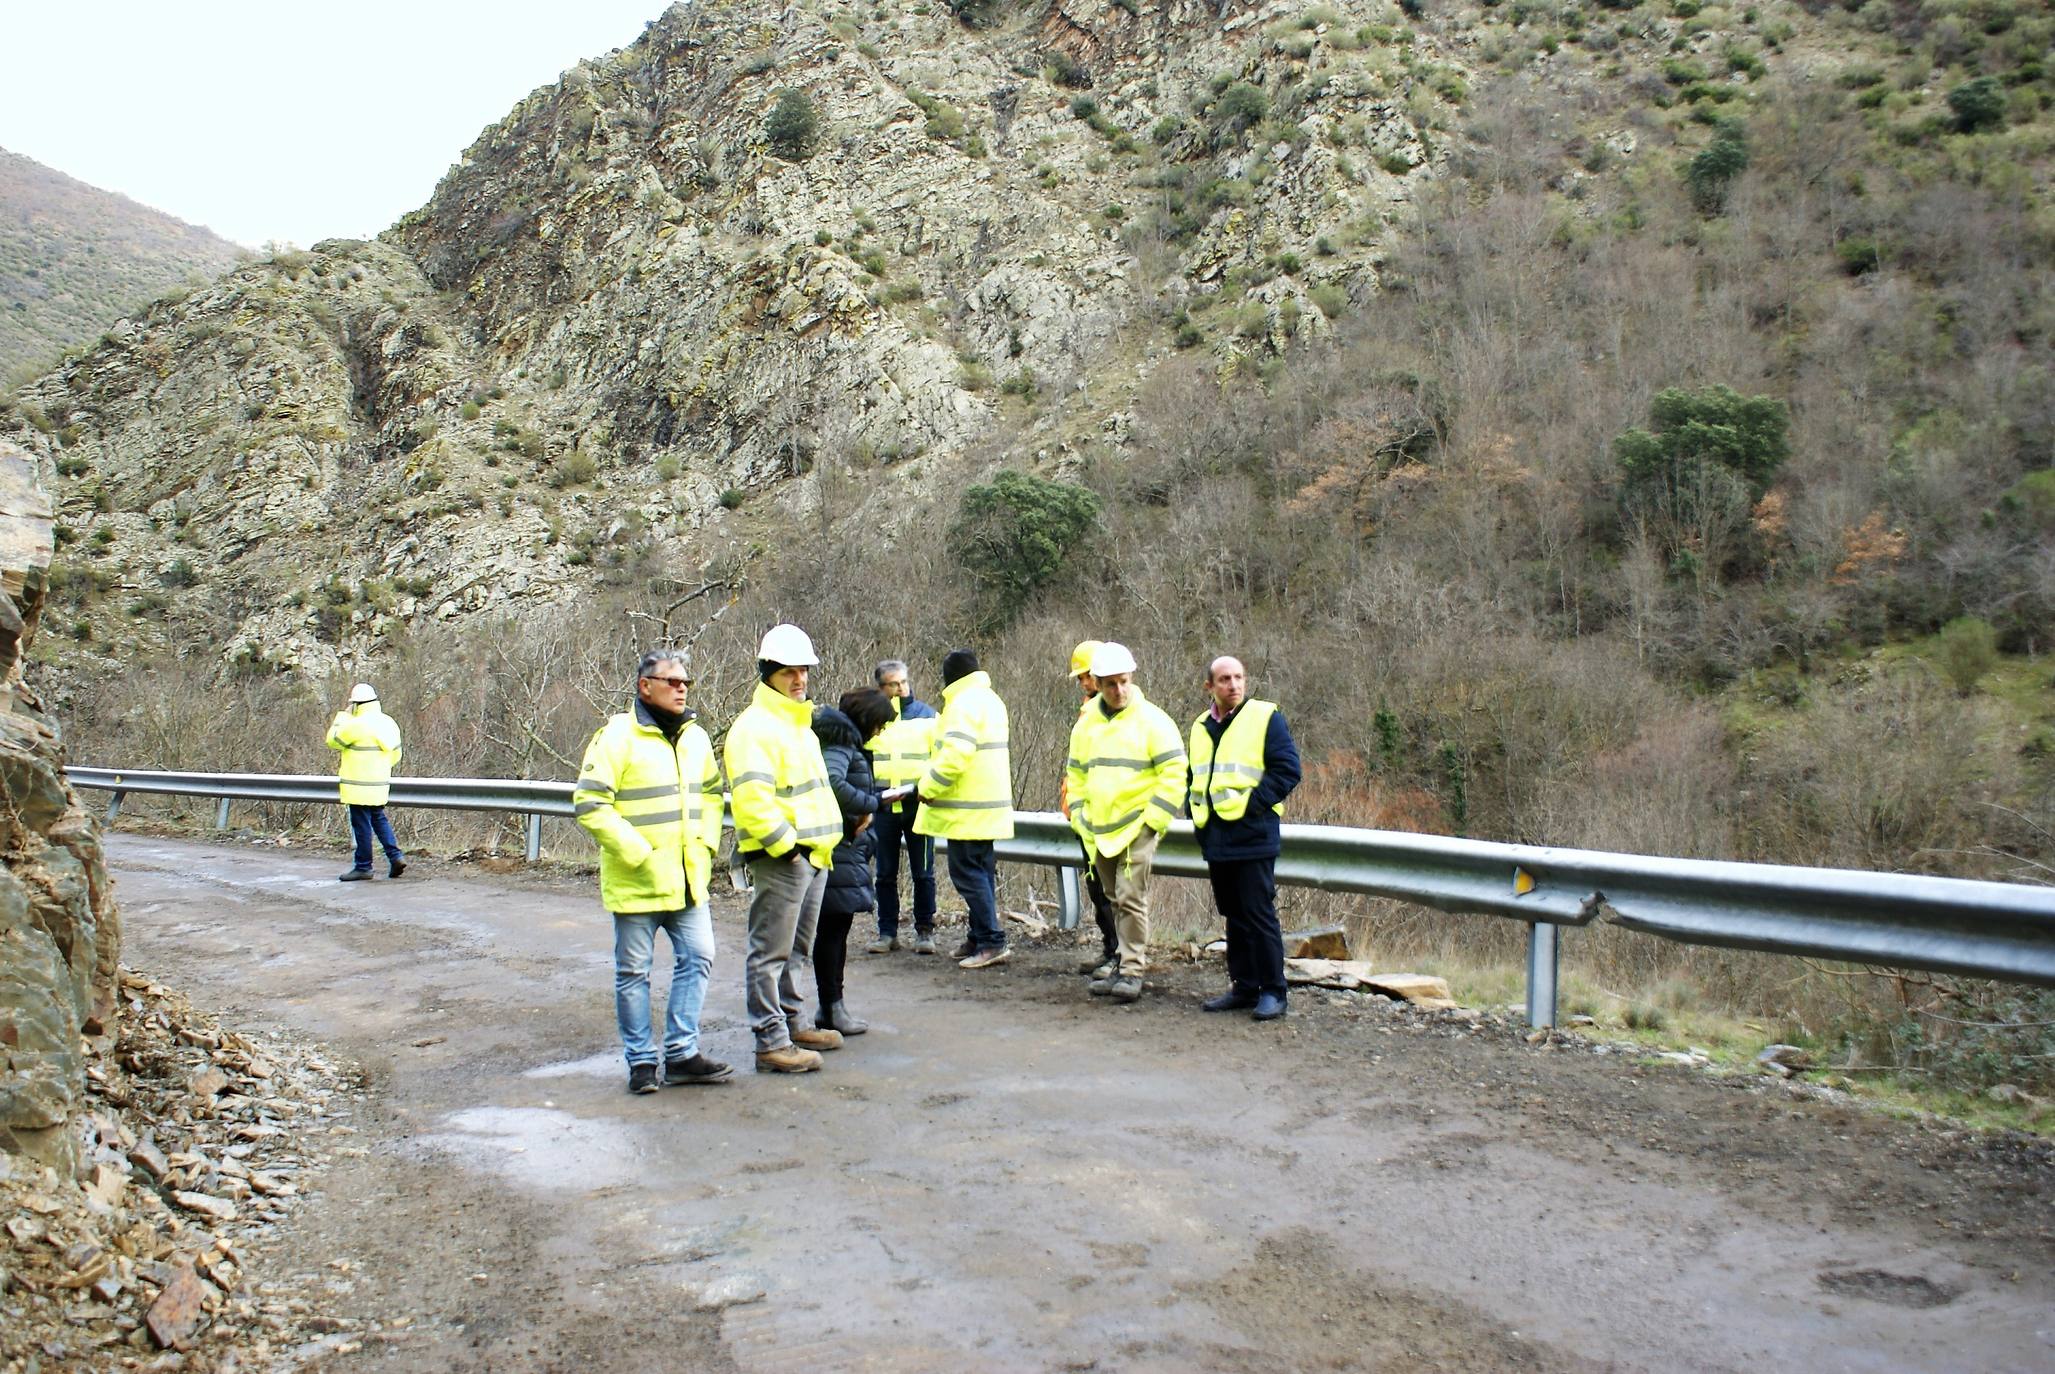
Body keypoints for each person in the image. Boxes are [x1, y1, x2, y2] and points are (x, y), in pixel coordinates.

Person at [572, 649, 732, 1094]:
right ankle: (641, 1062)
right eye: (672, 681)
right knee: (633, 973)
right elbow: (589, 804)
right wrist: (637, 851)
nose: (682, 688)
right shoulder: (616, 737)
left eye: (686, 682)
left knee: (699, 956)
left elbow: (713, 796)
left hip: (687, 877)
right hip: (638, 879)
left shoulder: (696, 737)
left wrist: (705, 843)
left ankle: (681, 1053)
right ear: (646, 686)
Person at [725, 624, 846, 1074]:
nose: (799, 680)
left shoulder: (800, 727)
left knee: (797, 951)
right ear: (767, 673)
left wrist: (815, 852)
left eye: (804, 671)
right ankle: (771, 1042)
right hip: (786, 859)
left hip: (814, 857)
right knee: (770, 952)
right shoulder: (753, 728)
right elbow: (752, 802)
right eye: (789, 672)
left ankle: (793, 1024)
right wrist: (789, 852)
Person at [1065, 643, 1187, 1003]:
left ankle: (1132, 970)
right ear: (1097, 684)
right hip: (1099, 827)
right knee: (1113, 898)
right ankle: (1122, 962)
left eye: (1124, 682)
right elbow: (1076, 774)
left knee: (1131, 898)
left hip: (1137, 825)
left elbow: (1175, 770)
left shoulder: (1153, 720)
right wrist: (1080, 814)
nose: (1119, 691)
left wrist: (1154, 820)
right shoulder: (1087, 726)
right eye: (1111, 684)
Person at [1188, 655, 1303, 1022]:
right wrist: (1196, 819)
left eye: (1238, 677)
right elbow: (1195, 776)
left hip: (1253, 833)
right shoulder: (1200, 725)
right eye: (1224, 679)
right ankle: (1243, 987)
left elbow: (1288, 770)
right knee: (1233, 914)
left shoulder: (1266, 717)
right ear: (1210, 686)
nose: (1233, 684)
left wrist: (1252, 804)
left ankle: (1274, 990)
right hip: (1217, 836)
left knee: (1258, 913)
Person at [913, 648, 1014, 970]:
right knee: (981, 873)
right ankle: (977, 935)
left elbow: (955, 755)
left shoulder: (962, 704)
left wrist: (926, 787)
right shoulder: (990, 700)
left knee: (968, 874)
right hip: (987, 808)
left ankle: (990, 942)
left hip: (967, 811)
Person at [813, 687, 896, 1034]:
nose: (879, 732)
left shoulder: (840, 740)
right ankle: (832, 1008)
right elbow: (832, 782)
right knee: (832, 930)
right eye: (878, 724)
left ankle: (831, 1007)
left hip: (843, 846)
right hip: (838, 847)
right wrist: (871, 804)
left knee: (835, 929)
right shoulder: (841, 744)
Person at [864, 659, 939, 955]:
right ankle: (887, 933)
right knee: (884, 873)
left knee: (923, 872)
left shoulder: (928, 716)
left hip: (918, 804)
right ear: (881, 688)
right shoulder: (870, 719)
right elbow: (863, 762)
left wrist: (931, 790)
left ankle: (924, 932)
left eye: (904, 682)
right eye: (893, 684)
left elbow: (941, 756)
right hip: (883, 806)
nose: (900, 689)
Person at [1057, 640, 1121, 979]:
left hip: (1108, 817)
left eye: (1085, 676)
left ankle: (1120, 956)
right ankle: (1110, 949)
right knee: (1097, 888)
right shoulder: (1089, 711)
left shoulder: (1117, 713)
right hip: (1087, 818)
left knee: (1113, 892)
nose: (1082, 683)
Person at [325, 682, 405, 882]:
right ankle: (395, 856)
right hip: (379, 783)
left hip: (358, 784)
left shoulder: (355, 724)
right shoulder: (388, 722)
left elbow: (332, 740)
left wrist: (342, 717)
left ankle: (363, 866)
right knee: (378, 818)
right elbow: (396, 755)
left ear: (356, 704)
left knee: (361, 824)